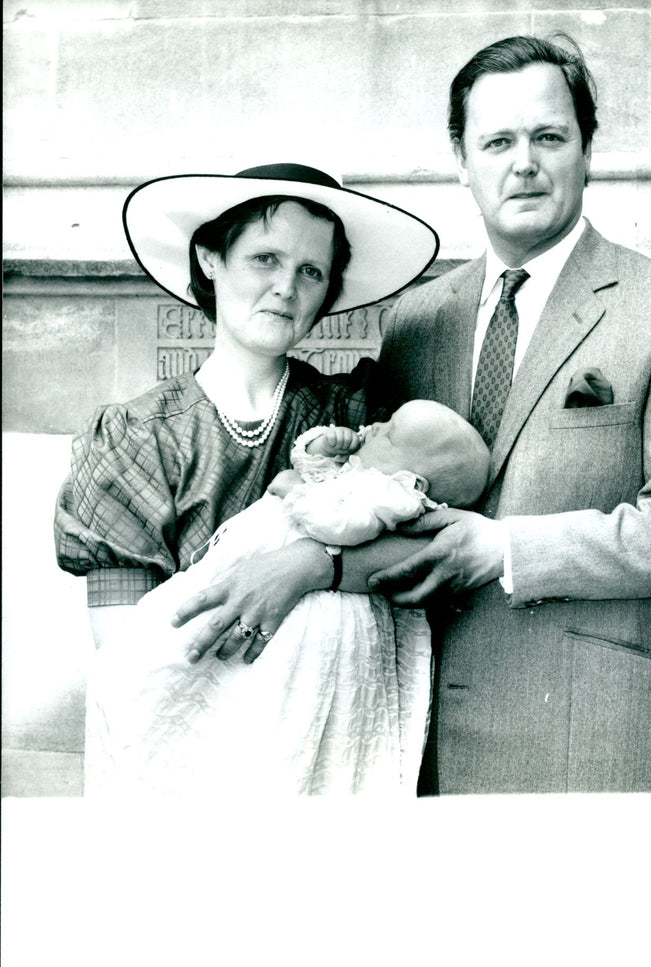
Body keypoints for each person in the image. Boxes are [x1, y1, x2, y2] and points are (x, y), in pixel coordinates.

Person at [169, 35, 651, 795]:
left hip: (595, 750)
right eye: (498, 141)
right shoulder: (418, 321)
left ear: (586, 148)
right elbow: (389, 496)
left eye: (549, 137)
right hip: (417, 741)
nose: (524, 163)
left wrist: (507, 548)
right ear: (462, 159)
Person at [55, 161, 439, 789]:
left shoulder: (359, 420)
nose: (286, 287)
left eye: (310, 271)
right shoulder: (136, 439)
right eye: (265, 258)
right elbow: (132, 662)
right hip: (189, 761)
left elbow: (421, 558)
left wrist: (305, 567)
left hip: (330, 740)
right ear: (211, 258)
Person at [84, 401, 489, 796]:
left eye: (390, 433)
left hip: (312, 604)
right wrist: (320, 448)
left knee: (266, 696)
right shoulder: (363, 473)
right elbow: (309, 463)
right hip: (254, 571)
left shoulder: (389, 496)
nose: (375, 426)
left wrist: (296, 490)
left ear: (413, 480)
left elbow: (340, 526)